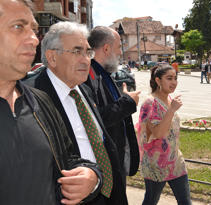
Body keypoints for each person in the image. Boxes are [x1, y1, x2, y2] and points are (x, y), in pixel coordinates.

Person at [0, 1, 102, 204]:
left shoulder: (40, 102)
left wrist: (92, 176)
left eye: (34, 30)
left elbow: (66, 159)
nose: (34, 39)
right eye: (18, 27)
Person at [24, 21, 127, 205]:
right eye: (77, 51)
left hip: (108, 195)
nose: (86, 59)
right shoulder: (28, 98)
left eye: (88, 52)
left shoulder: (84, 90)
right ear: (52, 57)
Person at [86, 26, 140, 180]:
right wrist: (128, 102)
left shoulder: (103, 73)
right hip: (104, 166)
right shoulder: (87, 76)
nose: (120, 53)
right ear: (106, 48)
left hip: (114, 160)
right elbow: (95, 119)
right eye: (119, 47)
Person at [137, 65, 191, 205]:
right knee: (151, 200)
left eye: (175, 78)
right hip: (156, 164)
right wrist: (172, 110)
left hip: (175, 162)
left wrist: (171, 108)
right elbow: (158, 133)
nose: (174, 82)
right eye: (169, 78)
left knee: (185, 202)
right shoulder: (150, 103)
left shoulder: (169, 99)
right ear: (158, 80)